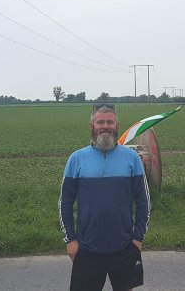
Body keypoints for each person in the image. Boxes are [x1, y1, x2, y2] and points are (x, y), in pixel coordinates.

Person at [59, 104, 150, 291]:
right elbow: (65, 203)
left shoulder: (131, 158)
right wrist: (71, 240)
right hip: (86, 248)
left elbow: (143, 201)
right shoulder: (77, 159)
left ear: (117, 125)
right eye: (100, 122)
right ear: (91, 125)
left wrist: (138, 238)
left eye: (110, 122)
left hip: (125, 247)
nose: (105, 126)